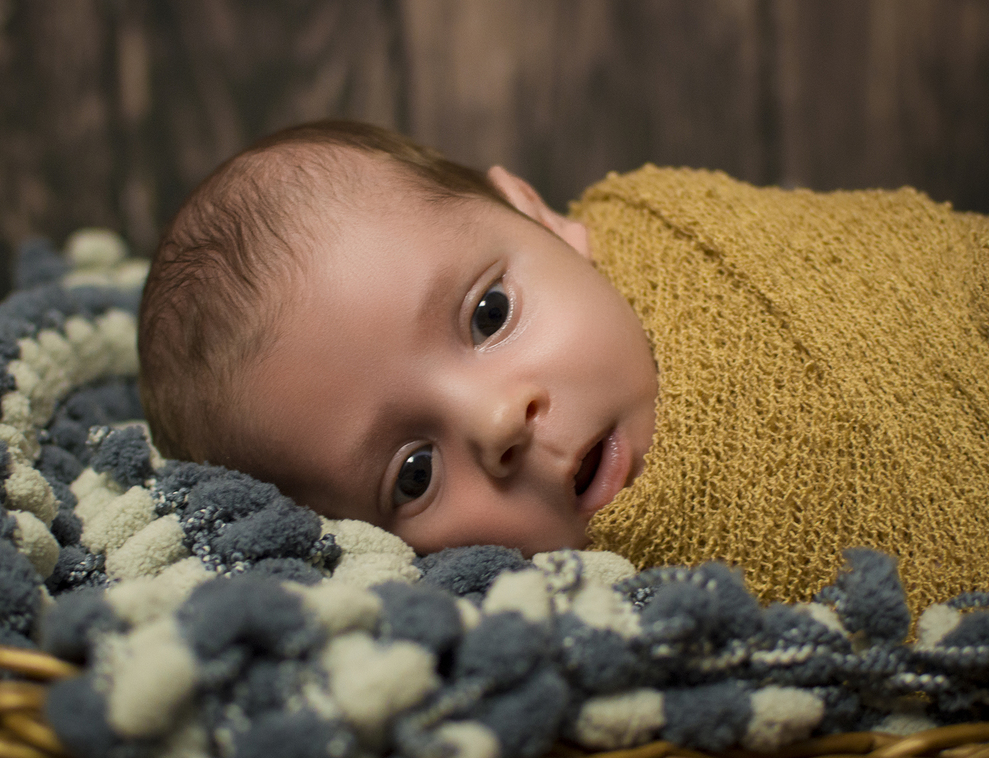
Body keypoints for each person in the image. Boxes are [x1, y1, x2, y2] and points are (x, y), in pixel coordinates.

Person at [139, 120, 989, 611]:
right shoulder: (577, 626)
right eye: (414, 474)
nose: (498, 422)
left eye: (489, 314)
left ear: (539, 217)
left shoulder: (702, 243)